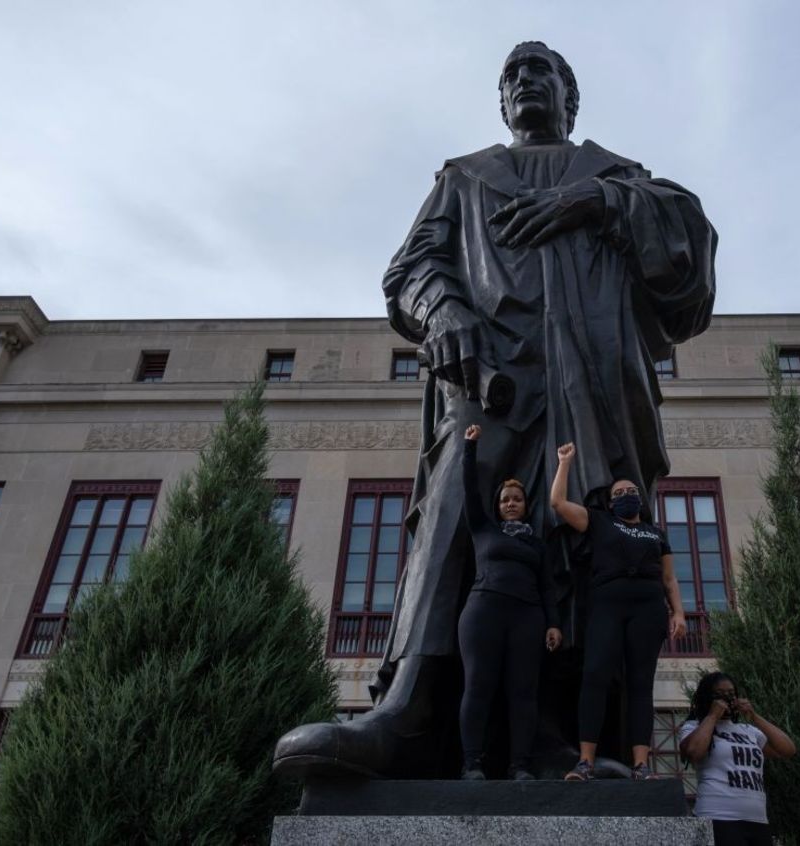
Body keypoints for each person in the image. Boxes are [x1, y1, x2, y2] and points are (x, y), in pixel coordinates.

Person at [273, 40, 716, 779]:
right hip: (490, 382)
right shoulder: (466, 178)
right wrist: (444, 313)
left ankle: (558, 738)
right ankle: (410, 710)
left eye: (541, 72)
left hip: (591, 392)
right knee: (456, 527)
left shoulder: (617, 176)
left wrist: (600, 201)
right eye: (511, 76)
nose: (524, 83)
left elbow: (688, 267)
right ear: (501, 102)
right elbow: (412, 268)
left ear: (570, 98)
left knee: (576, 541)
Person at [549, 441, 687, 781]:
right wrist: (564, 462)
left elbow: (669, 578)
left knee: (640, 684)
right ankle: (585, 761)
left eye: (631, 490)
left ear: (639, 498)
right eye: (619, 492)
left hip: (649, 607)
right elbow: (558, 503)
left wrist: (679, 613)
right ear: (611, 502)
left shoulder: (656, 533)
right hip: (608, 604)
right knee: (594, 676)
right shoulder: (599, 522)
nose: (626, 494)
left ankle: (641, 765)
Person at [458, 423, 562, 780]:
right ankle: (472, 763)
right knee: (478, 686)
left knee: (523, 693)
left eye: (517, 499)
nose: (511, 504)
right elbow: (469, 489)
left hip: (527, 618)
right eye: (505, 500)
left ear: (525, 505)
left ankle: (520, 765)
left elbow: (548, 586)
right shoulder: (483, 529)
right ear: (498, 507)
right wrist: (470, 447)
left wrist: (553, 623)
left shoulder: (537, 544)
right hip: (484, 612)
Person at [679, 672, 797, 846]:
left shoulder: (748, 730)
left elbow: (788, 749)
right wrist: (712, 716)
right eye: (719, 694)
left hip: (757, 819)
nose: (726, 699)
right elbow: (694, 751)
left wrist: (754, 716)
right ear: (707, 698)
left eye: (731, 694)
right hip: (718, 818)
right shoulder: (694, 726)